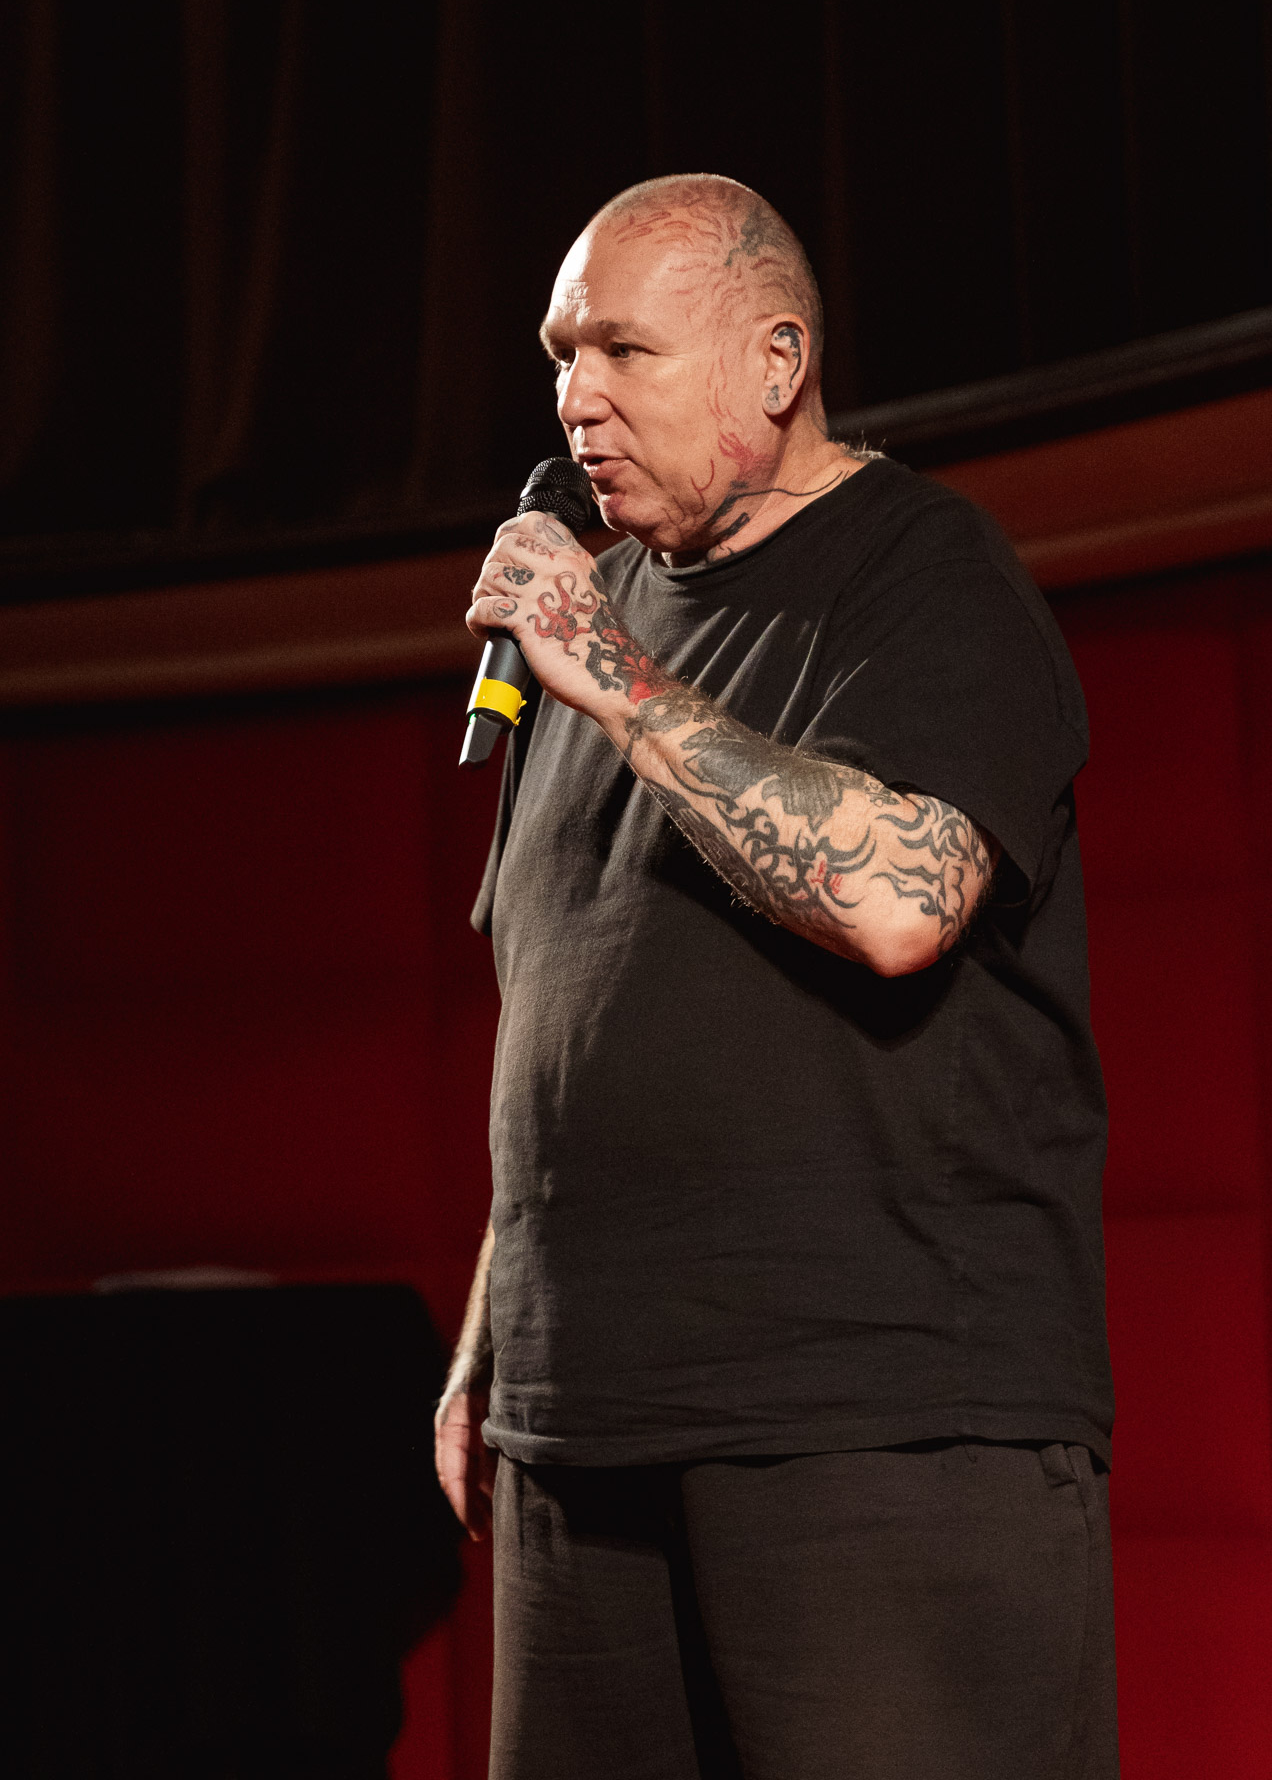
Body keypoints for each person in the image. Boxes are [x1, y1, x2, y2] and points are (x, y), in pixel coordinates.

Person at [435, 174, 1117, 1780]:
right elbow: (565, 1020)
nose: (575, 399)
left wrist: (614, 681)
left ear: (776, 361)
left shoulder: (925, 573)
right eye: (560, 355)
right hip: (584, 1432)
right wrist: (491, 1332)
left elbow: (896, 900)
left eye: (624, 350)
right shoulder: (593, 627)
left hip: (872, 1425)